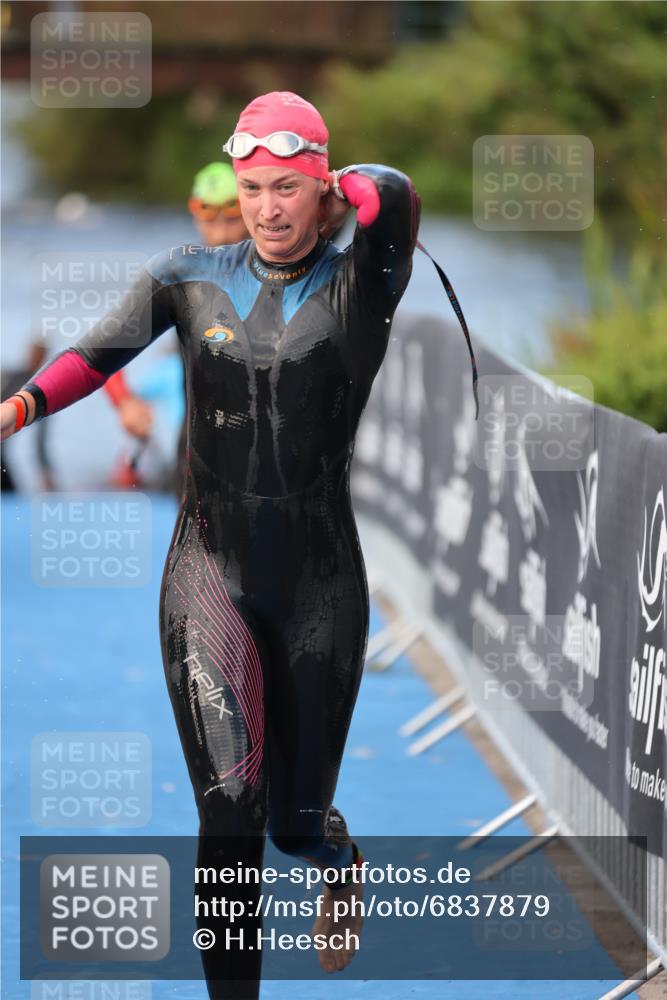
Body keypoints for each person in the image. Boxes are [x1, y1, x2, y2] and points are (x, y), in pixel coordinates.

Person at [1, 91, 420, 998]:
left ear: (321, 190)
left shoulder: (365, 282)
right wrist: (18, 409)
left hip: (318, 585)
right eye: (251, 187)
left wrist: (336, 181)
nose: (266, 208)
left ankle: (336, 855)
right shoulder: (186, 277)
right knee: (229, 808)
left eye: (286, 188)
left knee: (292, 826)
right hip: (207, 576)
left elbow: (393, 193)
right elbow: (93, 357)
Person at [105, 163, 250, 491]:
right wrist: (125, 403)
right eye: (209, 218)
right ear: (195, 214)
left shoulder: (285, 269)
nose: (221, 232)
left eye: (231, 217)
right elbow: (105, 351)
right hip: (197, 463)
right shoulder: (181, 278)